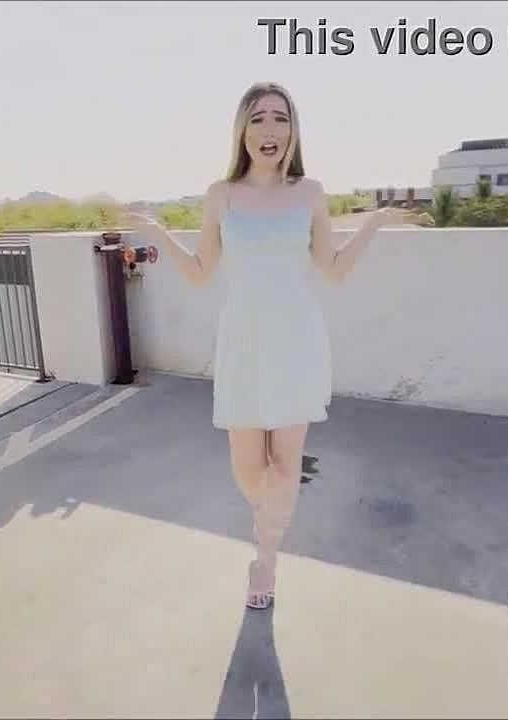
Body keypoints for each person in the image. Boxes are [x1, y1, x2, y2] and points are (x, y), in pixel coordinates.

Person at [124, 82, 410, 609]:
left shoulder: (310, 193)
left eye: (280, 118)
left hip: (297, 340)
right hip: (243, 342)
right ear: (242, 130)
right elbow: (200, 272)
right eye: (258, 119)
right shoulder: (221, 195)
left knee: (286, 461)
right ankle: (274, 514)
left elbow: (333, 270)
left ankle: (266, 559)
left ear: (293, 129)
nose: (269, 129)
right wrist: (160, 232)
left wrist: (373, 223)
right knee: (251, 470)